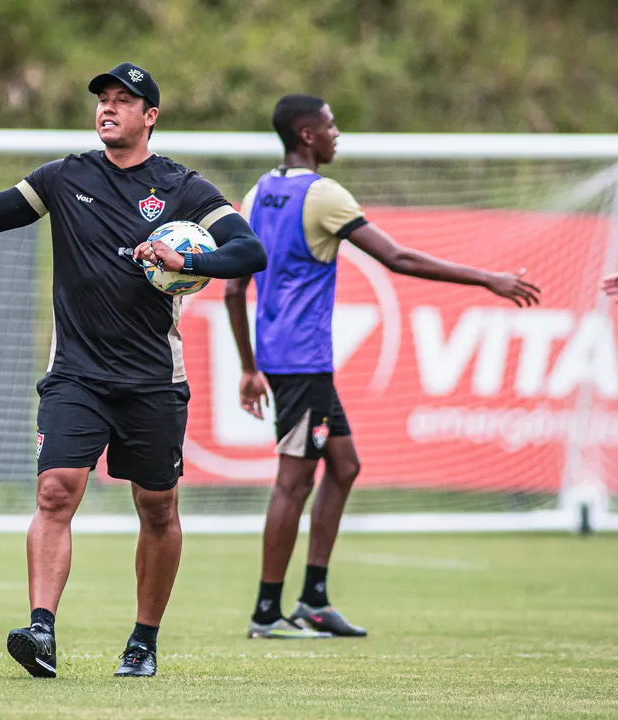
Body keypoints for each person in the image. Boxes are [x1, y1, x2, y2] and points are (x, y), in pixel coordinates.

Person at [0, 62, 267, 677]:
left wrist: (185, 254)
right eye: (103, 99)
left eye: (124, 100)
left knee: (157, 508)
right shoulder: (63, 177)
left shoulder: (183, 189)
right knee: (55, 492)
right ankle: (41, 631)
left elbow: (249, 250)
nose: (108, 108)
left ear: (150, 116)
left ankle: (143, 640)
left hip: (154, 379)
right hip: (76, 373)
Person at [225, 95, 541, 640]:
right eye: (328, 125)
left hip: (288, 361)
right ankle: (266, 613)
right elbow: (399, 259)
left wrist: (249, 367)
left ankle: (314, 601)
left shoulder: (259, 192)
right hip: (303, 363)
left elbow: (233, 289)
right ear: (306, 135)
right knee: (293, 483)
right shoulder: (323, 195)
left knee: (344, 467)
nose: (336, 133)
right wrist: (488, 278)